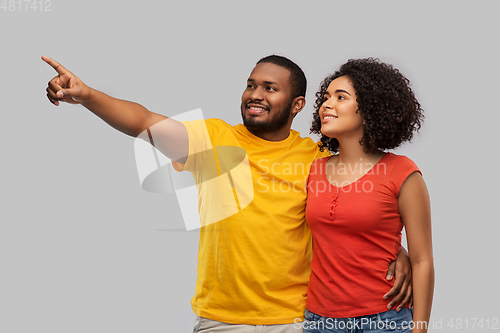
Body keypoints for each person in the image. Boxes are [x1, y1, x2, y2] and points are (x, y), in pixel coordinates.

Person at [42, 55, 413, 333]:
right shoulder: (213, 139)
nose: (256, 94)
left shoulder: (315, 158)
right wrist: (88, 95)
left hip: (296, 319)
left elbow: (351, 215)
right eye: (251, 85)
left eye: (270, 88)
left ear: (297, 104)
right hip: (220, 321)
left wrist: (400, 252)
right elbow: (143, 120)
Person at [303, 58, 434, 333]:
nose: (327, 104)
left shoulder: (402, 172)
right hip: (318, 321)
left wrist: (420, 329)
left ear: (370, 109)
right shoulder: (314, 168)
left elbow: (422, 261)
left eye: (341, 97)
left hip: (383, 320)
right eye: (326, 97)